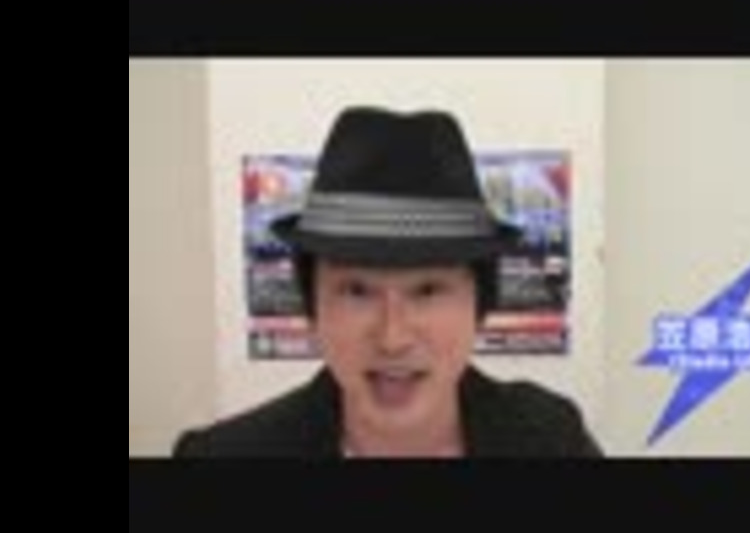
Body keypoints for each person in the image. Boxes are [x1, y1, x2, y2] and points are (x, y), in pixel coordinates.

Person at [173, 106, 602, 458]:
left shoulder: (552, 440)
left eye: (427, 290)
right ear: (313, 306)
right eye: (357, 291)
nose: (393, 338)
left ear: (480, 303)